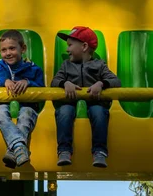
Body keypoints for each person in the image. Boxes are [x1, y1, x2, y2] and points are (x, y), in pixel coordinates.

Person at [51, 26, 121, 168]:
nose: (67, 50)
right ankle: (64, 150)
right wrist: (65, 83)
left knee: (99, 112)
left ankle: (99, 152)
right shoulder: (66, 65)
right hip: (70, 102)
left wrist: (101, 83)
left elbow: (116, 81)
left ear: (84, 46)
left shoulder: (99, 65)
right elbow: (54, 82)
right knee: (64, 112)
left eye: (70, 45)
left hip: (94, 102)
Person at [0, 30, 45, 169]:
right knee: (0, 114)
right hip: (2, 104)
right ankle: (19, 146)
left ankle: (13, 151)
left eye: (12, 48)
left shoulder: (34, 69)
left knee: (26, 116)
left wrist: (28, 82)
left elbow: (42, 88)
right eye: (4, 50)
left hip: (27, 105)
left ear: (22, 48)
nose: (8, 53)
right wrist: (3, 81)